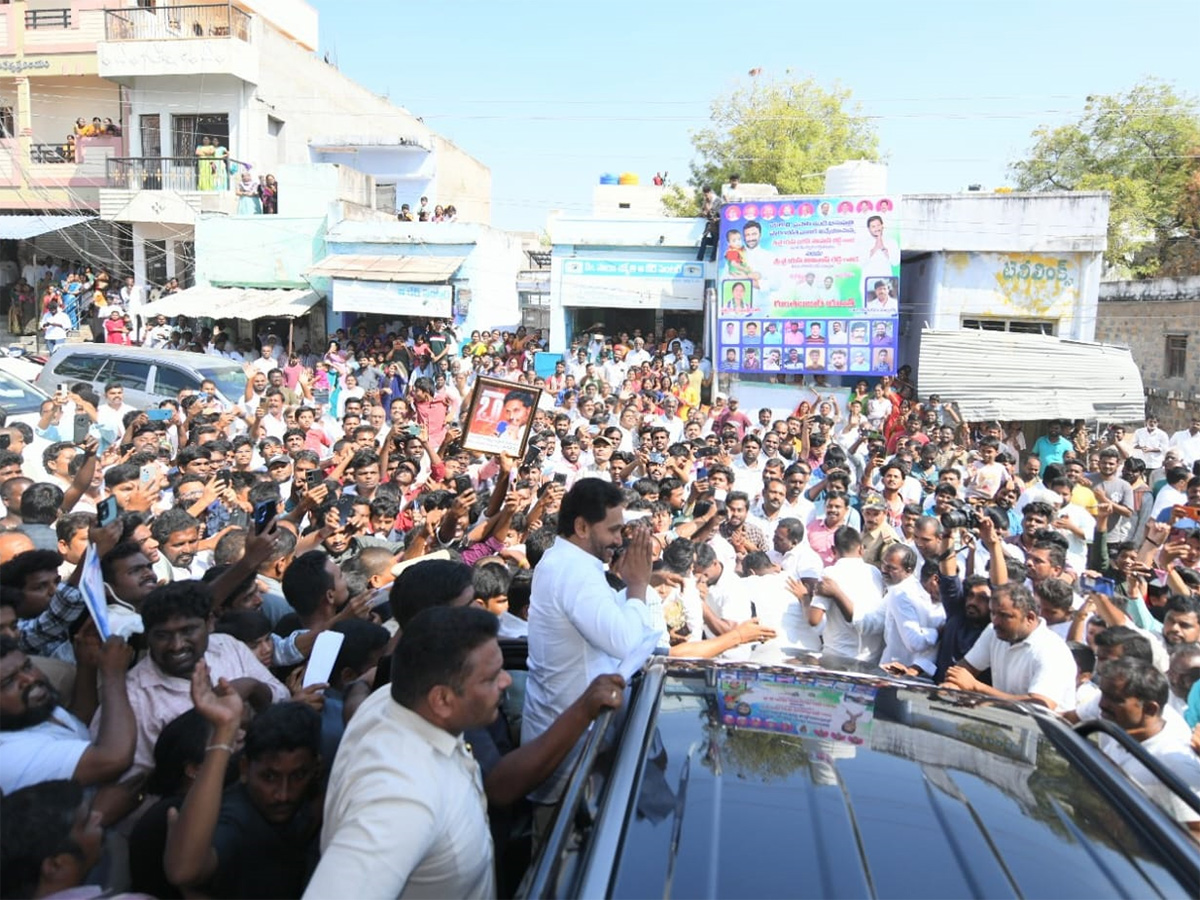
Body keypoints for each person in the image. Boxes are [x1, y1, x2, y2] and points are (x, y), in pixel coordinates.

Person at [305, 606, 507, 899]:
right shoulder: (402, 799)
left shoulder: (392, 699)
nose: (506, 681)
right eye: (490, 679)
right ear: (442, 699)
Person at [522, 479, 661, 810]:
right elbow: (625, 643)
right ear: (582, 526)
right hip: (569, 744)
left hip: (568, 732)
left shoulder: (568, 562)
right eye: (613, 530)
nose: (617, 539)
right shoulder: (574, 571)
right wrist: (638, 584)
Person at [943, 583, 1078, 711]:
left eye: (1004, 616)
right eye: (993, 613)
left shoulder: (1052, 651)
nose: (995, 621)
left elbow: (1040, 706)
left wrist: (977, 687)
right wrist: (953, 685)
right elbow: (966, 668)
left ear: (1030, 617)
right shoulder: (994, 632)